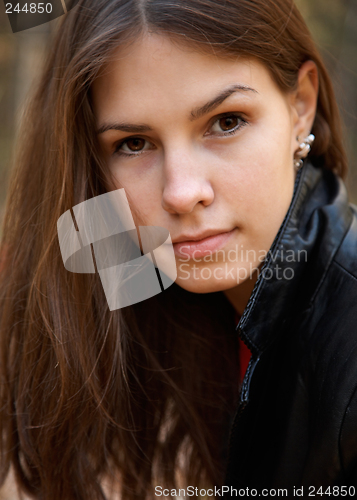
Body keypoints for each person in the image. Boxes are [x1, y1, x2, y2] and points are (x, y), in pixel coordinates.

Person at [0, 0, 356, 498]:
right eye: (134, 144)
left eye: (227, 122)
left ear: (301, 106)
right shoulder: (145, 301)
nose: (181, 193)